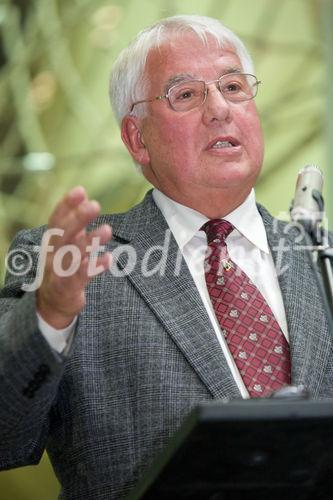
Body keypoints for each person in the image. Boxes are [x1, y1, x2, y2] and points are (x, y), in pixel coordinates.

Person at [0, 13, 332, 500]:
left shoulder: (320, 259)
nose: (219, 108)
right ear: (137, 139)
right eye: (186, 94)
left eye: (234, 87)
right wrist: (48, 314)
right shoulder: (63, 263)